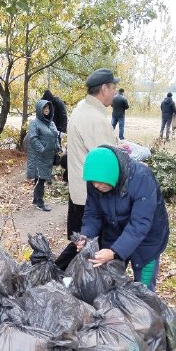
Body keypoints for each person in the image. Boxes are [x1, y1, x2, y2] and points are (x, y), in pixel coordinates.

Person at [78, 146, 170, 290]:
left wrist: (115, 251)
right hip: (114, 233)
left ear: (112, 175)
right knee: (108, 284)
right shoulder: (96, 181)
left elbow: (140, 224)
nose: (96, 185)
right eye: (93, 182)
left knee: (143, 290)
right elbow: (92, 213)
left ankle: (144, 310)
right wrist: (86, 235)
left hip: (147, 242)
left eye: (100, 182)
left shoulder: (142, 179)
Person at [55, 68, 119, 270]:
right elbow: (108, 160)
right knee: (85, 243)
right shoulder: (94, 118)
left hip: (80, 189)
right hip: (92, 193)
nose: (115, 93)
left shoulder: (83, 109)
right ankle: (54, 273)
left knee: (82, 242)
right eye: (113, 88)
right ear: (104, 89)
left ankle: (57, 273)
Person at [26, 99, 59, 211]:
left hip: (49, 156)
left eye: (48, 108)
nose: (46, 110)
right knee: (40, 178)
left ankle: (36, 199)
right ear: (39, 109)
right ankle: (40, 203)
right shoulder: (34, 123)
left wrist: (57, 147)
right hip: (39, 156)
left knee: (40, 178)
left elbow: (55, 136)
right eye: (44, 108)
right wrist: (42, 149)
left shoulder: (52, 123)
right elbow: (33, 138)